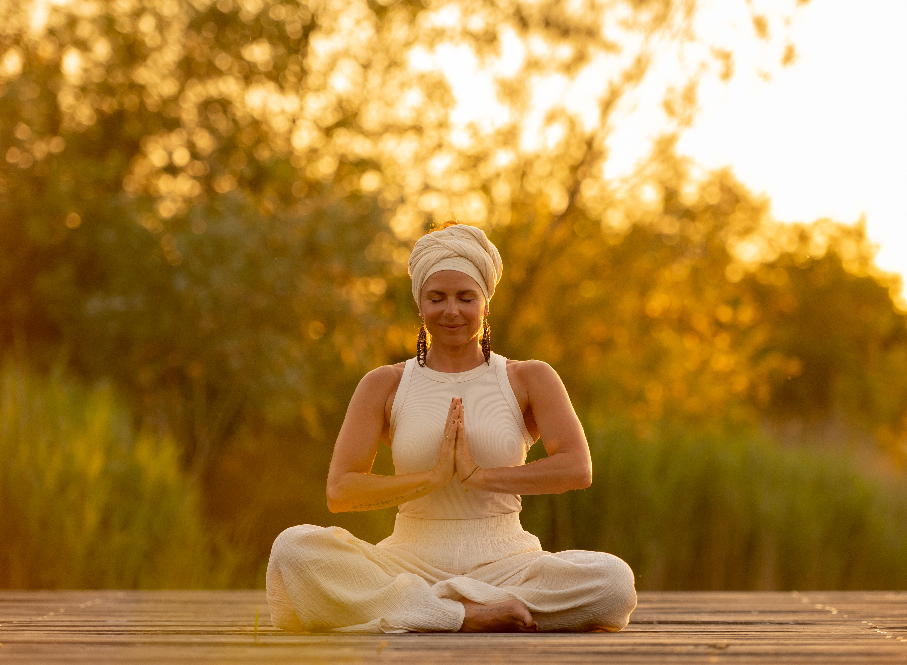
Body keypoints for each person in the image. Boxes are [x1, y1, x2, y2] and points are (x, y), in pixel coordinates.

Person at [266, 223, 636, 633]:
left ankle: (426, 611)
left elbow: (576, 468)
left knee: (613, 581)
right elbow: (340, 491)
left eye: (466, 297)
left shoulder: (528, 378)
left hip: (507, 564)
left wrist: (480, 477)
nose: (451, 311)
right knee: (293, 549)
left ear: (485, 303)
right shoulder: (385, 383)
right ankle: (464, 614)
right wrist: (433, 478)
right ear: (420, 304)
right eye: (436, 298)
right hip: (407, 562)